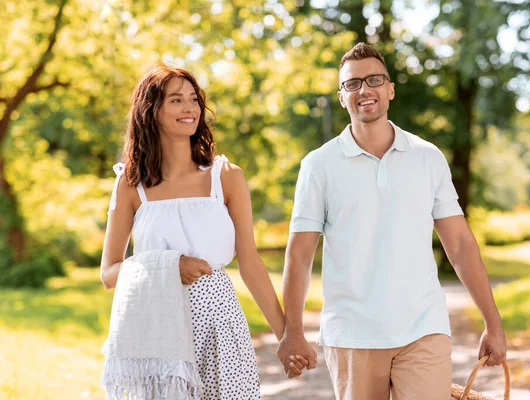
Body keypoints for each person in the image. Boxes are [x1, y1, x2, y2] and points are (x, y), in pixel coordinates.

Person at [277, 42, 507, 400]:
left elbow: (460, 244)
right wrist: (292, 330)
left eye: (374, 80)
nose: (364, 90)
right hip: (353, 333)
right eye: (352, 84)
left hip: (423, 327)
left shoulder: (427, 157)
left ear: (390, 89)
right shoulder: (318, 166)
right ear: (341, 97)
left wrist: (493, 323)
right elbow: (300, 255)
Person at [100, 63, 307, 399]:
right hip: (158, 331)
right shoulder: (130, 185)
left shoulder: (226, 176)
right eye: (176, 100)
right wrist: (169, 266)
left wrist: (287, 337)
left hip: (219, 326)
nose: (190, 108)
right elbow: (109, 272)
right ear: (151, 112)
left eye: (194, 99)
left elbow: (250, 264)